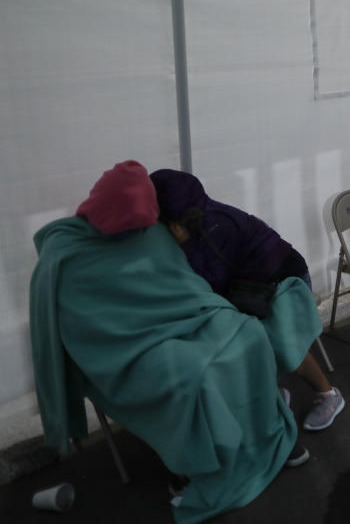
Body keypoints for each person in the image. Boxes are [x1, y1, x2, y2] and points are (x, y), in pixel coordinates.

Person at [30, 160, 318, 524]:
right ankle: (202, 467)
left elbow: (182, 284)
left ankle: (267, 437)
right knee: (192, 374)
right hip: (121, 347)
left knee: (249, 336)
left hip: (184, 317)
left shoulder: (150, 228)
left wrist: (203, 312)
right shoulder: (63, 252)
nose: (133, 235)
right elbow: (79, 324)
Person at [149, 168, 344, 432]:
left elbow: (212, 279)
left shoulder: (212, 227)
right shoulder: (196, 219)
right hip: (251, 286)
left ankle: (329, 395)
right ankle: (273, 398)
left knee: (286, 347)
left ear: (172, 218)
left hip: (281, 278)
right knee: (248, 346)